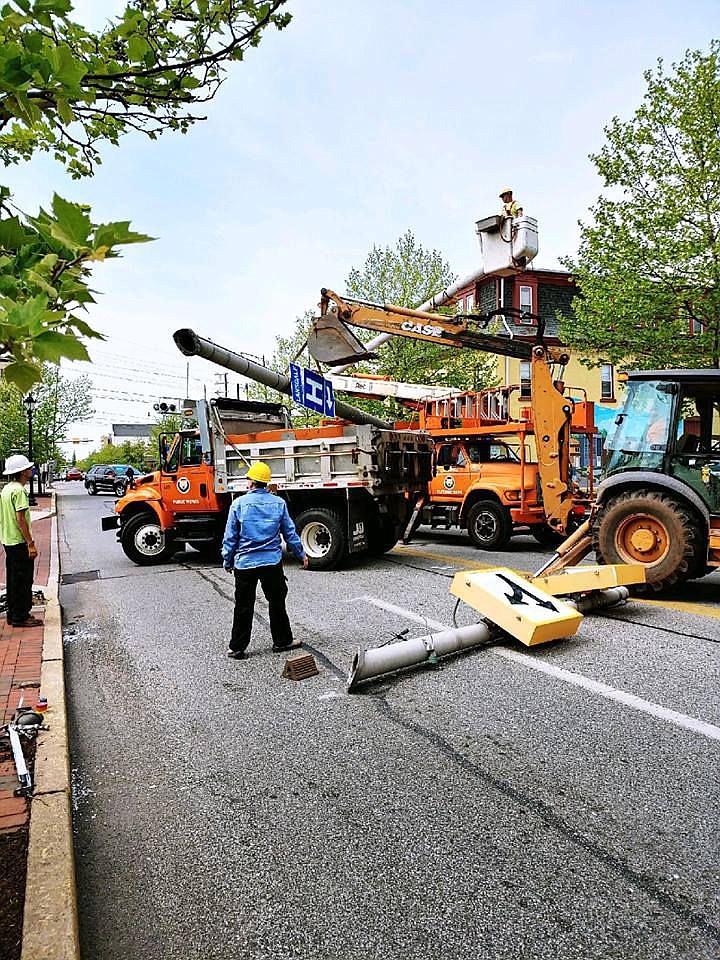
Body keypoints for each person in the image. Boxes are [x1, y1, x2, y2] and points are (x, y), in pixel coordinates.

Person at [222, 461, 308, 660]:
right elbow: (290, 533)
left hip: (244, 564)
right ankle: (282, 641)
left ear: (251, 483)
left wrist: (227, 560)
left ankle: (237, 647)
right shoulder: (278, 503)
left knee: (243, 605)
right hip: (271, 563)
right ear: (266, 484)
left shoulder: (238, 504)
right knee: (276, 602)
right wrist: (301, 554)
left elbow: (230, 537)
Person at [1, 455, 41, 628]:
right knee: (24, 580)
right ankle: (21, 616)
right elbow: (21, 520)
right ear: (22, 472)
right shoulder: (19, 491)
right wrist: (30, 543)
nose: (31, 470)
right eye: (28, 468)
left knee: (13, 579)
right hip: (19, 542)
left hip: (8, 540)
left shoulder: (6, 489)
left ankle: (13, 613)